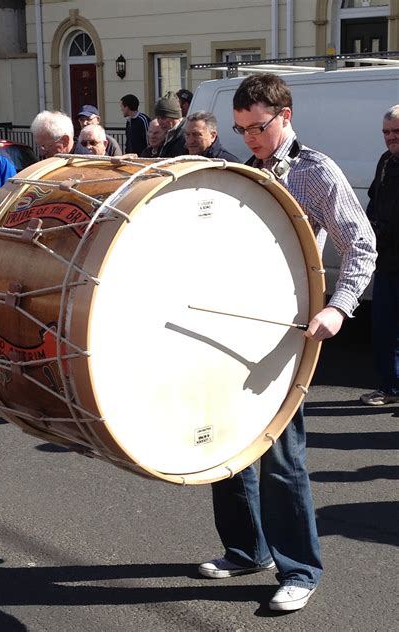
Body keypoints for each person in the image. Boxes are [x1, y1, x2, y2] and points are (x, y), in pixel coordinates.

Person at [198, 74, 376, 612]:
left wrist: (338, 306)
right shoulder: (241, 175)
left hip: (286, 336)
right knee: (226, 445)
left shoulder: (315, 172)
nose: (250, 138)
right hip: (232, 329)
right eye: (240, 128)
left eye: (258, 127)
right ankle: (247, 549)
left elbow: (361, 244)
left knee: (281, 456)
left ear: (286, 115)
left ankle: (299, 568)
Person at [360, 105, 399, 406]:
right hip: (386, 261)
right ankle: (390, 386)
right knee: (384, 327)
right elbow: (374, 203)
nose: (390, 138)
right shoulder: (385, 161)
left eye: (396, 132)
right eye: (386, 132)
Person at [155, 92, 186, 158]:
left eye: (163, 118)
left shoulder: (185, 134)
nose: (160, 122)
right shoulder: (168, 133)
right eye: (158, 118)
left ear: (174, 116)